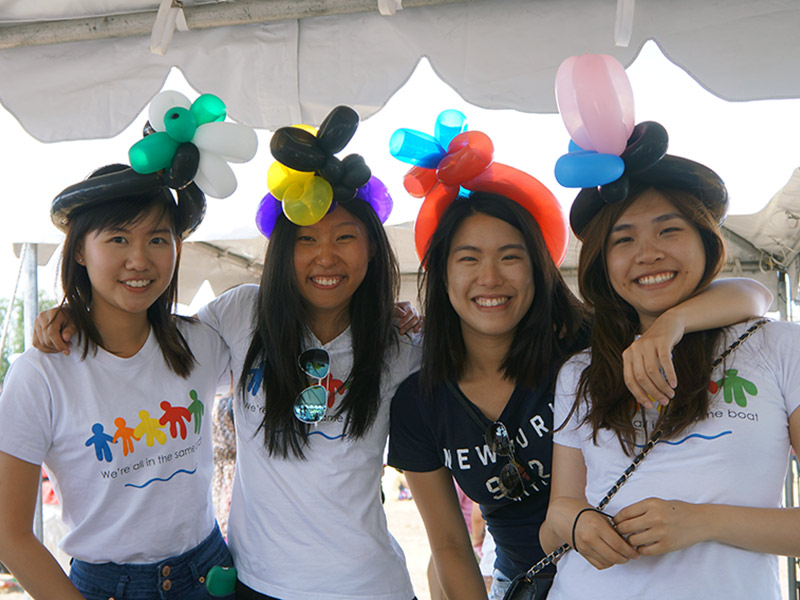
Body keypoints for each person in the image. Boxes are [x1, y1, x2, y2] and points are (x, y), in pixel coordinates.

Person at [33, 106, 422, 600]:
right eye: (306, 240)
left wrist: (411, 318)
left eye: (346, 238)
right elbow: (145, 334)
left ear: (371, 248)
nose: (326, 256)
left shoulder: (402, 343)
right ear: (283, 251)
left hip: (372, 587)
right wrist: (75, 313)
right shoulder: (243, 314)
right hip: (255, 584)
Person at [386, 124, 773, 600]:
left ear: (539, 269)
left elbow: (754, 293)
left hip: (624, 581)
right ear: (442, 275)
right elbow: (448, 544)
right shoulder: (418, 402)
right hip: (522, 585)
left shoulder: (590, 345)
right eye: (468, 260)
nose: (490, 278)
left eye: (511, 257)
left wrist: (670, 324)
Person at [540, 142, 800, 599]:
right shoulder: (581, 373)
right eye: (623, 239)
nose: (647, 253)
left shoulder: (780, 347)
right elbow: (552, 530)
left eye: (669, 230)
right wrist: (571, 519)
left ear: (705, 241)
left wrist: (703, 520)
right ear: (603, 264)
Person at [0, 164, 234, 599]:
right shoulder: (41, 374)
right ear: (80, 251)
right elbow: (9, 533)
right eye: (118, 239)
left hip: (210, 575)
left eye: (158, 239)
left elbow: (289, 350)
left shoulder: (202, 344)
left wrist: (381, 317)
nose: (140, 260)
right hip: (109, 588)